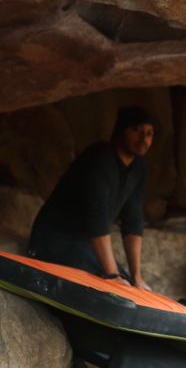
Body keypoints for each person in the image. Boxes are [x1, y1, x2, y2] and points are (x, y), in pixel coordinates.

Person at [27, 106, 154, 289]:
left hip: (85, 246)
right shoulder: (100, 158)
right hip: (54, 241)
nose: (144, 139)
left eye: (149, 133)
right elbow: (97, 219)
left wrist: (137, 278)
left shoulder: (138, 168)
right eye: (136, 131)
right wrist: (111, 275)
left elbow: (133, 221)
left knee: (131, 289)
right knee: (111, 289)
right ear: (121, 131)